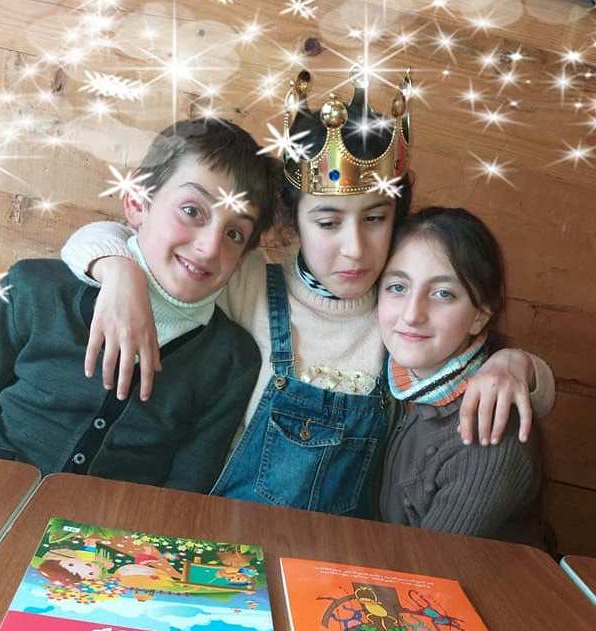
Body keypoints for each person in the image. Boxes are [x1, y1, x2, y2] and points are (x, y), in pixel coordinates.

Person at [60, 71, 555, 517]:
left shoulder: (399, 314)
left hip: (330, 561)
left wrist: (515, 365)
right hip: (220, 539)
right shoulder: (246, 280)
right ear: (293, 221)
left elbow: (470, 370)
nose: (354, 249)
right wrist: (119, 271)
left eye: (375, 218)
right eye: (328, 222)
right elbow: (121, 240)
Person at [0, 118, 279, 491]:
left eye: (234, 233)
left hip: (106, 527)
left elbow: (185, 497)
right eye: (192, 211)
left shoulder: (232, 361)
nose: (209, 247)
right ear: (137, 199)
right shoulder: (33, 290)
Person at [378, 207, 542, 544]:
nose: (412, 314)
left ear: (480, 316)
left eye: (443, 293)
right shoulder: (390, 374)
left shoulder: (487, 434)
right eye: (397, 287)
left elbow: (427, 564)